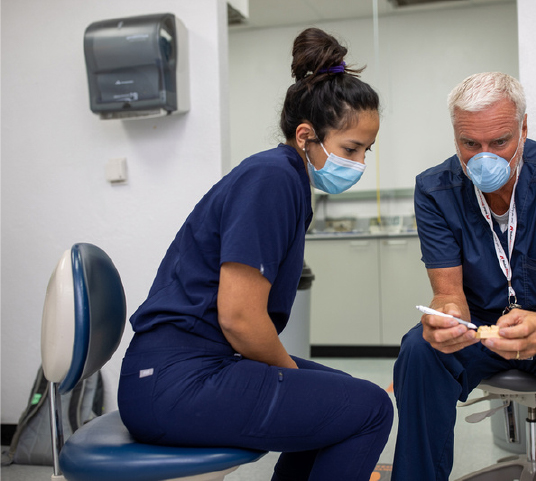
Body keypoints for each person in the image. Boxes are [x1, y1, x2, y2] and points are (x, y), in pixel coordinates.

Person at [117, 28, 393, 481]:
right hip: (176, 383)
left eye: (366, 150)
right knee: (369, 408)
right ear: (306, 135)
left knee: (344, 392)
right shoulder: (272, 180)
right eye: (351, 149)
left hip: (190, 370)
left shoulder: (282, 176)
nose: (360, 163)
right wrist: (293, 378)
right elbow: (239, 319)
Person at [391, 72, 536, 480]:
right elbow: (448, 294)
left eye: (500, 142)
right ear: (455, 136)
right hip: (479, 327)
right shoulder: (434, 190)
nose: (485, 157)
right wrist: (446, 318)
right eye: (470, 144)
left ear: (523, 128)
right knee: (419, 350)